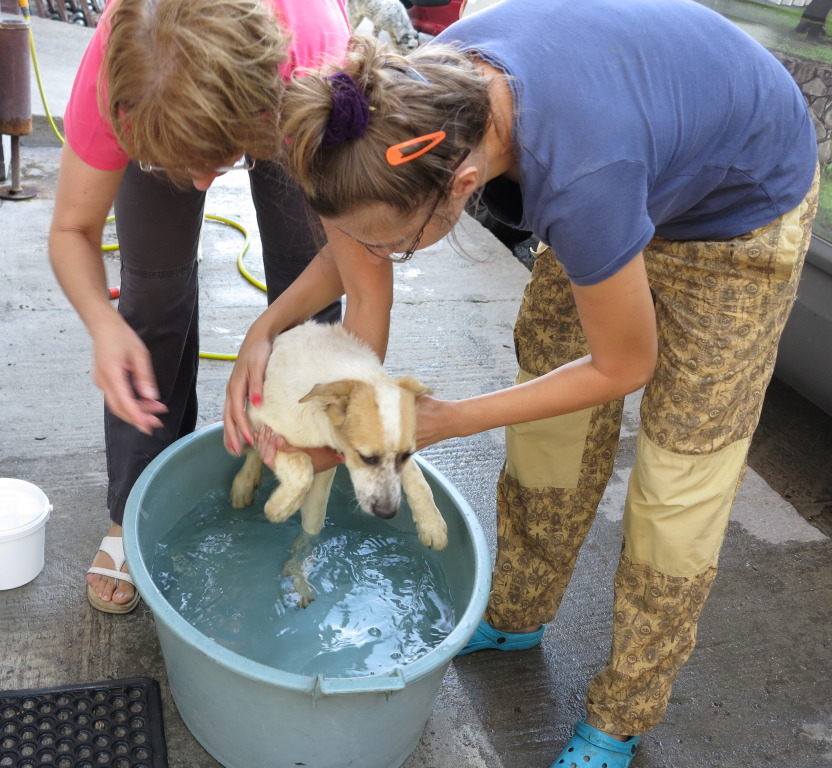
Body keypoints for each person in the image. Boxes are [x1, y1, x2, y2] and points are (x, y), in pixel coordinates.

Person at [223, 0, 819, 764]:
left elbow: (624, 365)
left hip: (736, 213)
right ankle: (516, 613)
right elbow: (355, 271)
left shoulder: (583, 179)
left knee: (680, 483)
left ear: (463, 186)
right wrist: (266, 331)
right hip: (636, 154)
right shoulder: (387, 123)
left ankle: (622, 712)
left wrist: (454, 418)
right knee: (550, 432)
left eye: (393, 244)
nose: (377, 256)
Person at [49, 0, 394, 614]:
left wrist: (281, 342)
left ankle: (306, 465)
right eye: (180, 166)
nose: (204, 183)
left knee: (305, 279)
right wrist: (103, 324)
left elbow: (359, 274)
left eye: (220, 160)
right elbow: (72, 229)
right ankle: (134, 509)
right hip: (173, 83)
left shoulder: (316, 62)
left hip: (286, 89)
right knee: (151, 292)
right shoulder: (123, 67)